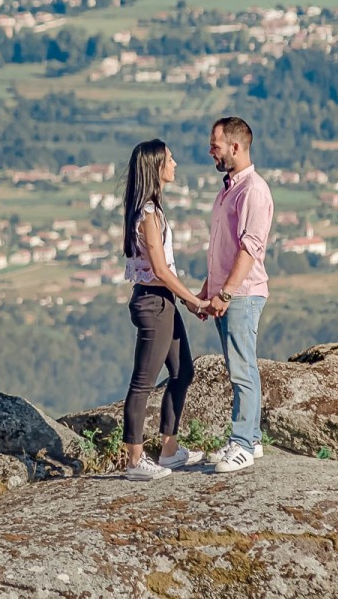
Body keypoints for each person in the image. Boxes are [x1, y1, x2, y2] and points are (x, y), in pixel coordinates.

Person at [119, 139, 210, 481]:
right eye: (171, 159)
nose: (176, 164)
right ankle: (134, 461)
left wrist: (184, 299)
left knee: (183, 371)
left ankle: (169, 450)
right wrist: (193, 300)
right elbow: (160, 269)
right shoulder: (147, 214)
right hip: (154, 303)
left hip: (162, 302)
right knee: (142, 383)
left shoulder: (150, 211)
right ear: (156, 167)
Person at [199, 116, 274, 475]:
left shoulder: (253, 191)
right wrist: (208, 290)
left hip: (242, 294)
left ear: (235, 146)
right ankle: (252, 439)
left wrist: (225, 294)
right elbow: (223, 247)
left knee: (242, 369)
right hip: (229, 293)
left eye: (215, 145)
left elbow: (249, 250)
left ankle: (242, 443)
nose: (210, 151)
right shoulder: (230, 188)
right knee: (237, 366)